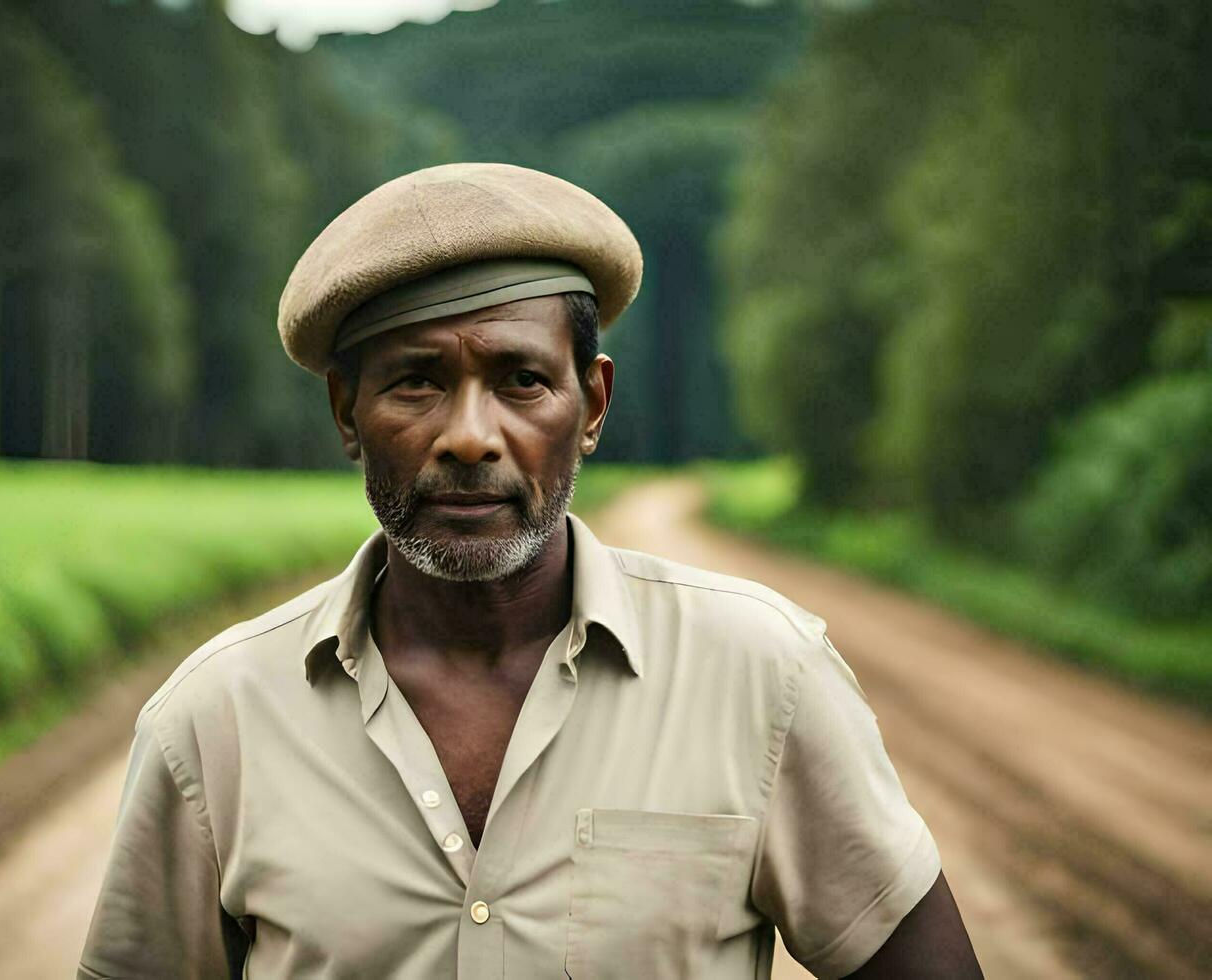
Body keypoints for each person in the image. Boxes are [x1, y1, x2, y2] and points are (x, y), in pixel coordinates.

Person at [78, 163, 982, 979]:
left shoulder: (763, 676)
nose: (470, 437)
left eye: (520, 381)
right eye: (416, 382)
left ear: (591, 405)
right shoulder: (214, 721)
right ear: (345, 412)